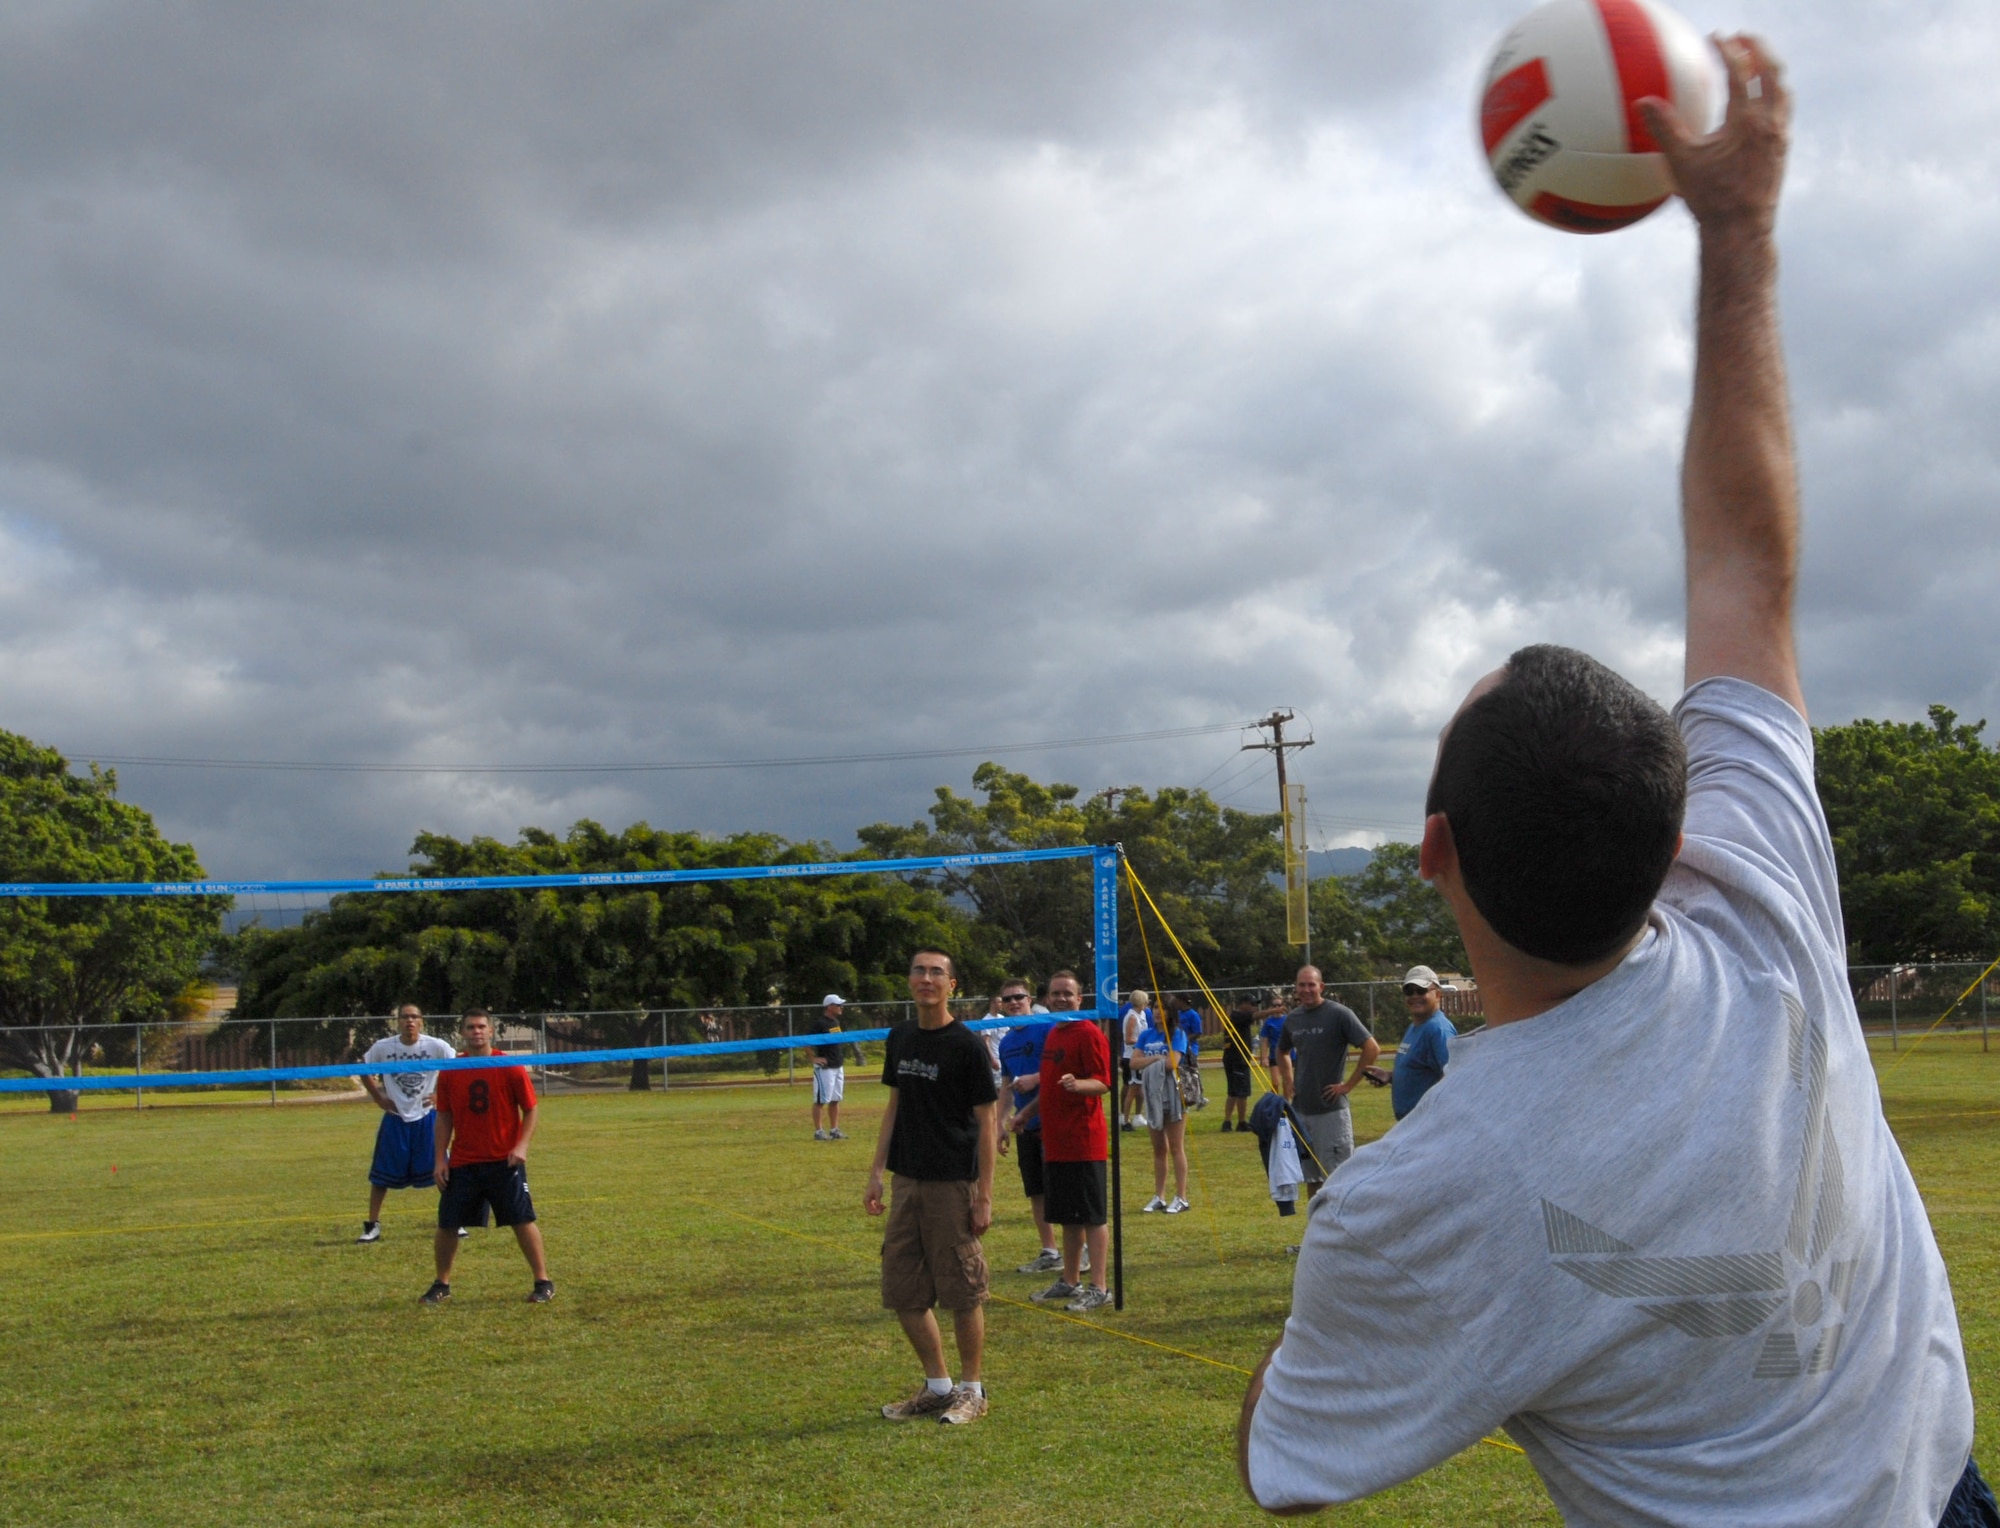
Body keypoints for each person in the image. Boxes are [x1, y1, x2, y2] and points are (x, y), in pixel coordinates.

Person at [1240, 41, 1990, 1522]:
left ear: (1434, 852)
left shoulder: (1416, 1203)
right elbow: (1746, 565)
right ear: (1675, 829)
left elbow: (1288, 1467)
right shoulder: (1760, 895)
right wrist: (1739, 230)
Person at [865, 948, 998, 1426]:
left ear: (952, 985)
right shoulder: (899, 1037)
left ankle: (971, 1390)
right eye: (919, 970)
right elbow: (894, 1108)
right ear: (909, 980)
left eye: (936, 972)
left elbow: (988, 1122)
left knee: (962, 1291)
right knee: (902, 1290)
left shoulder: (966, 1045)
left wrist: (983, 1193)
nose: (926, 979)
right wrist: (877, 1171)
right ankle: (938, 1387)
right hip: (908, 1182)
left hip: (953, 1185)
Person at [422, 1009, 553, 1305]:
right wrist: (440, 1160)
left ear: (491, 1031)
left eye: (481, 1026)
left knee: (522, 1220)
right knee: (447, 1224)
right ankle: (441, 1284)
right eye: (470, 1027)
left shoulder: (509, 1066)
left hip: (503, 1162)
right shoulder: (451, 1069)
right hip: (464, 1162)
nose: (476, 1031)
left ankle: (543, 1280)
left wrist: (521, 1147)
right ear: (463, 1033)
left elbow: (530, 1109)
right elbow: (444, 1116)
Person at [1031, 970, 1113, 1313]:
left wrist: (1080, 1085)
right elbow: (1050, 1086)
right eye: (1055, 993)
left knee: (1092, 1217)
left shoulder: (1088, 1033)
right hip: (1056, 1142)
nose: (1061, 999)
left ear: (1081, 999)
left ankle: (1099, 1286)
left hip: (1084, 1141)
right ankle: (1069, 1279)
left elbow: (1104, 1082)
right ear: (1047, 998)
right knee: (1067, 1217)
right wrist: (1025, 1114)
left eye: (1068, 993)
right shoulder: (1053, 1033)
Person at [356, 1003, 458, 1244]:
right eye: (404, 1017)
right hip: (396, 1119)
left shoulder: (436, 1046)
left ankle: (456, 1219)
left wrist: (441, 1096)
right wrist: (378, 1097)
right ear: (398, 1021)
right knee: (381, 1176)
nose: (409, 1021)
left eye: (414, 1017)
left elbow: (457, 1067)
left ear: (421, 1021)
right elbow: (363, 1067)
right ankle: (372, 1225)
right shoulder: (384, 1047)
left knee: (444, 1169)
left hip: (427, 1118)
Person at [1276, 966, 1379, 1202]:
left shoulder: (1339, 1014)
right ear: (1296, 988)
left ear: (1321, 987)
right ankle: (1316, 1234)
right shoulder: (1293, 1019)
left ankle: (1342, 1235)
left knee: (1339, 1177)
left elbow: (1371, 1048)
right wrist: (1288, 1079)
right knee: (1312, 1179)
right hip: (1302, 1111)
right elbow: (1281, 1051)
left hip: (1331, 1112)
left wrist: (1348, 1086)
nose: (1306, 990)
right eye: (1302, 985)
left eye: (1311, 984)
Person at [993, 978, 1059, 1273]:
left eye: (1019, 997)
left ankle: (1080, 1250)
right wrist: (999, 1124)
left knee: (1062, 1187)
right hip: (1025, 1124)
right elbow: (1006, 1086)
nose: (1014, 1003)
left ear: (1030, 999)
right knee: (1036, 1190)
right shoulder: (1006, 1043)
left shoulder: (1047, 1027)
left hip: (1054, 1120)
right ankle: (1050, 1251)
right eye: (1008, 1000)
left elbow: (1064, 1068)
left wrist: (1037, 1078)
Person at [1132, 1008, 1189, 1214]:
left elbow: (1172, 1063)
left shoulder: (1177, 1034)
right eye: (1155, 1008)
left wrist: (1153, 1061)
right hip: (1152, 1097)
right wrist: (1156, 1058)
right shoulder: (1146, 1035)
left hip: (1173, 1096)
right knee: (1159, 1148)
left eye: (1163, 1008)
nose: (1158, 1012)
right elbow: (1133, 1062)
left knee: (1176, 1147)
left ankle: (1181, 1197)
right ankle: (1160, 1196)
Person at [1388, 965, 1456, 1122]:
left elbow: (1452, 1076)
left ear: (1437, 994)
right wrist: (1390, 1076)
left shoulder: (1438, 1030)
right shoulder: (1414, 1026)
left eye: (1421, 990)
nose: (1414, 996)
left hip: (1427, 1122)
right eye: (1409, 991)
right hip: (1409, 1122)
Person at [810, 994, 849, 1140]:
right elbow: (805, 1041)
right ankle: (819, 1131)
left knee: (835, 1099)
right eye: (838, 1005)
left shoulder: (835, 1022)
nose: (841, 1007)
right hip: (825, 1068)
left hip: (838, 1065)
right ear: (829, 1006)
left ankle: (834, 1129)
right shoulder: (819, 1023)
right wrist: (813, 1058)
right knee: (820, 1100)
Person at [1220, 997, 1256, 1132]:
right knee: (1242, 1092)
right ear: (1243, 1004)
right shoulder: (1238, 1016)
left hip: (1233, 1058)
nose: (1255, 1007)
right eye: (1252, 1004)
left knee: (1234, 1092)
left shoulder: (1238, 1017)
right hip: (1238, 1059)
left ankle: (1227, 1122)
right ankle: (1241, 1122)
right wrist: (1274, 1010)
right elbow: (1256, 1015)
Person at [1119, 988, 1151, 1130]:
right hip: (1131, 1057)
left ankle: (1138, 1116)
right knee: (1132, 1089)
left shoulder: (1142, 1014)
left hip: (1140, 1056)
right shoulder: (1132, 1017)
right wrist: (1142, 1042)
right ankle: (1125, 1120)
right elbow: (1128, 1039)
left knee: (1141, 1088)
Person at [1175, 996, 1207, 1110]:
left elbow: (1198, 1032)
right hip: (1179, 1047)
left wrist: (1185, 1039)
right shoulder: (1177, 1014)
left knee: (1192, 1072)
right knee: (1180, 1072)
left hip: (1190, 1048)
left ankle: (1199, 1097)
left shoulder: (1193, 1015)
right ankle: (1183, 1096)